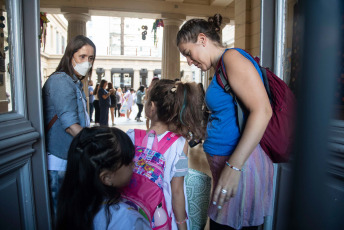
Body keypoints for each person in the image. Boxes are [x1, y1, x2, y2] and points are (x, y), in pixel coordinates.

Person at [177, 14, 274, 230]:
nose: (189, 61)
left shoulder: (232, 59)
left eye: (188, 53)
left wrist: (234, 167)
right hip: (230, 166)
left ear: (202, 39)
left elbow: (262, 110)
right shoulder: (221, 66)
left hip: (240, 165)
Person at [126, 79, 206, 230]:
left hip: (131, 215)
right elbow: (177, 191)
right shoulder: (179, 144)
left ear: (152, 107)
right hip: (161, 217)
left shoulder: (130, 137)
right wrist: (182, 226)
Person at [42, 35, 96, 219]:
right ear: (69, 56)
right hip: (58, 161)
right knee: (60, 215)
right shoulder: (61, 81)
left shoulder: (74, 82)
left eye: (90, 58)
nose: (87, 63)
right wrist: (96, 143)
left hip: (68, 158)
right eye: (82, 57)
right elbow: (71, 126)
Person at [55, 127, 151, 230]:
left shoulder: (70, 206)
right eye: (128, 162)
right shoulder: (130, 220)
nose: (134, 165)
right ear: (106, 178)